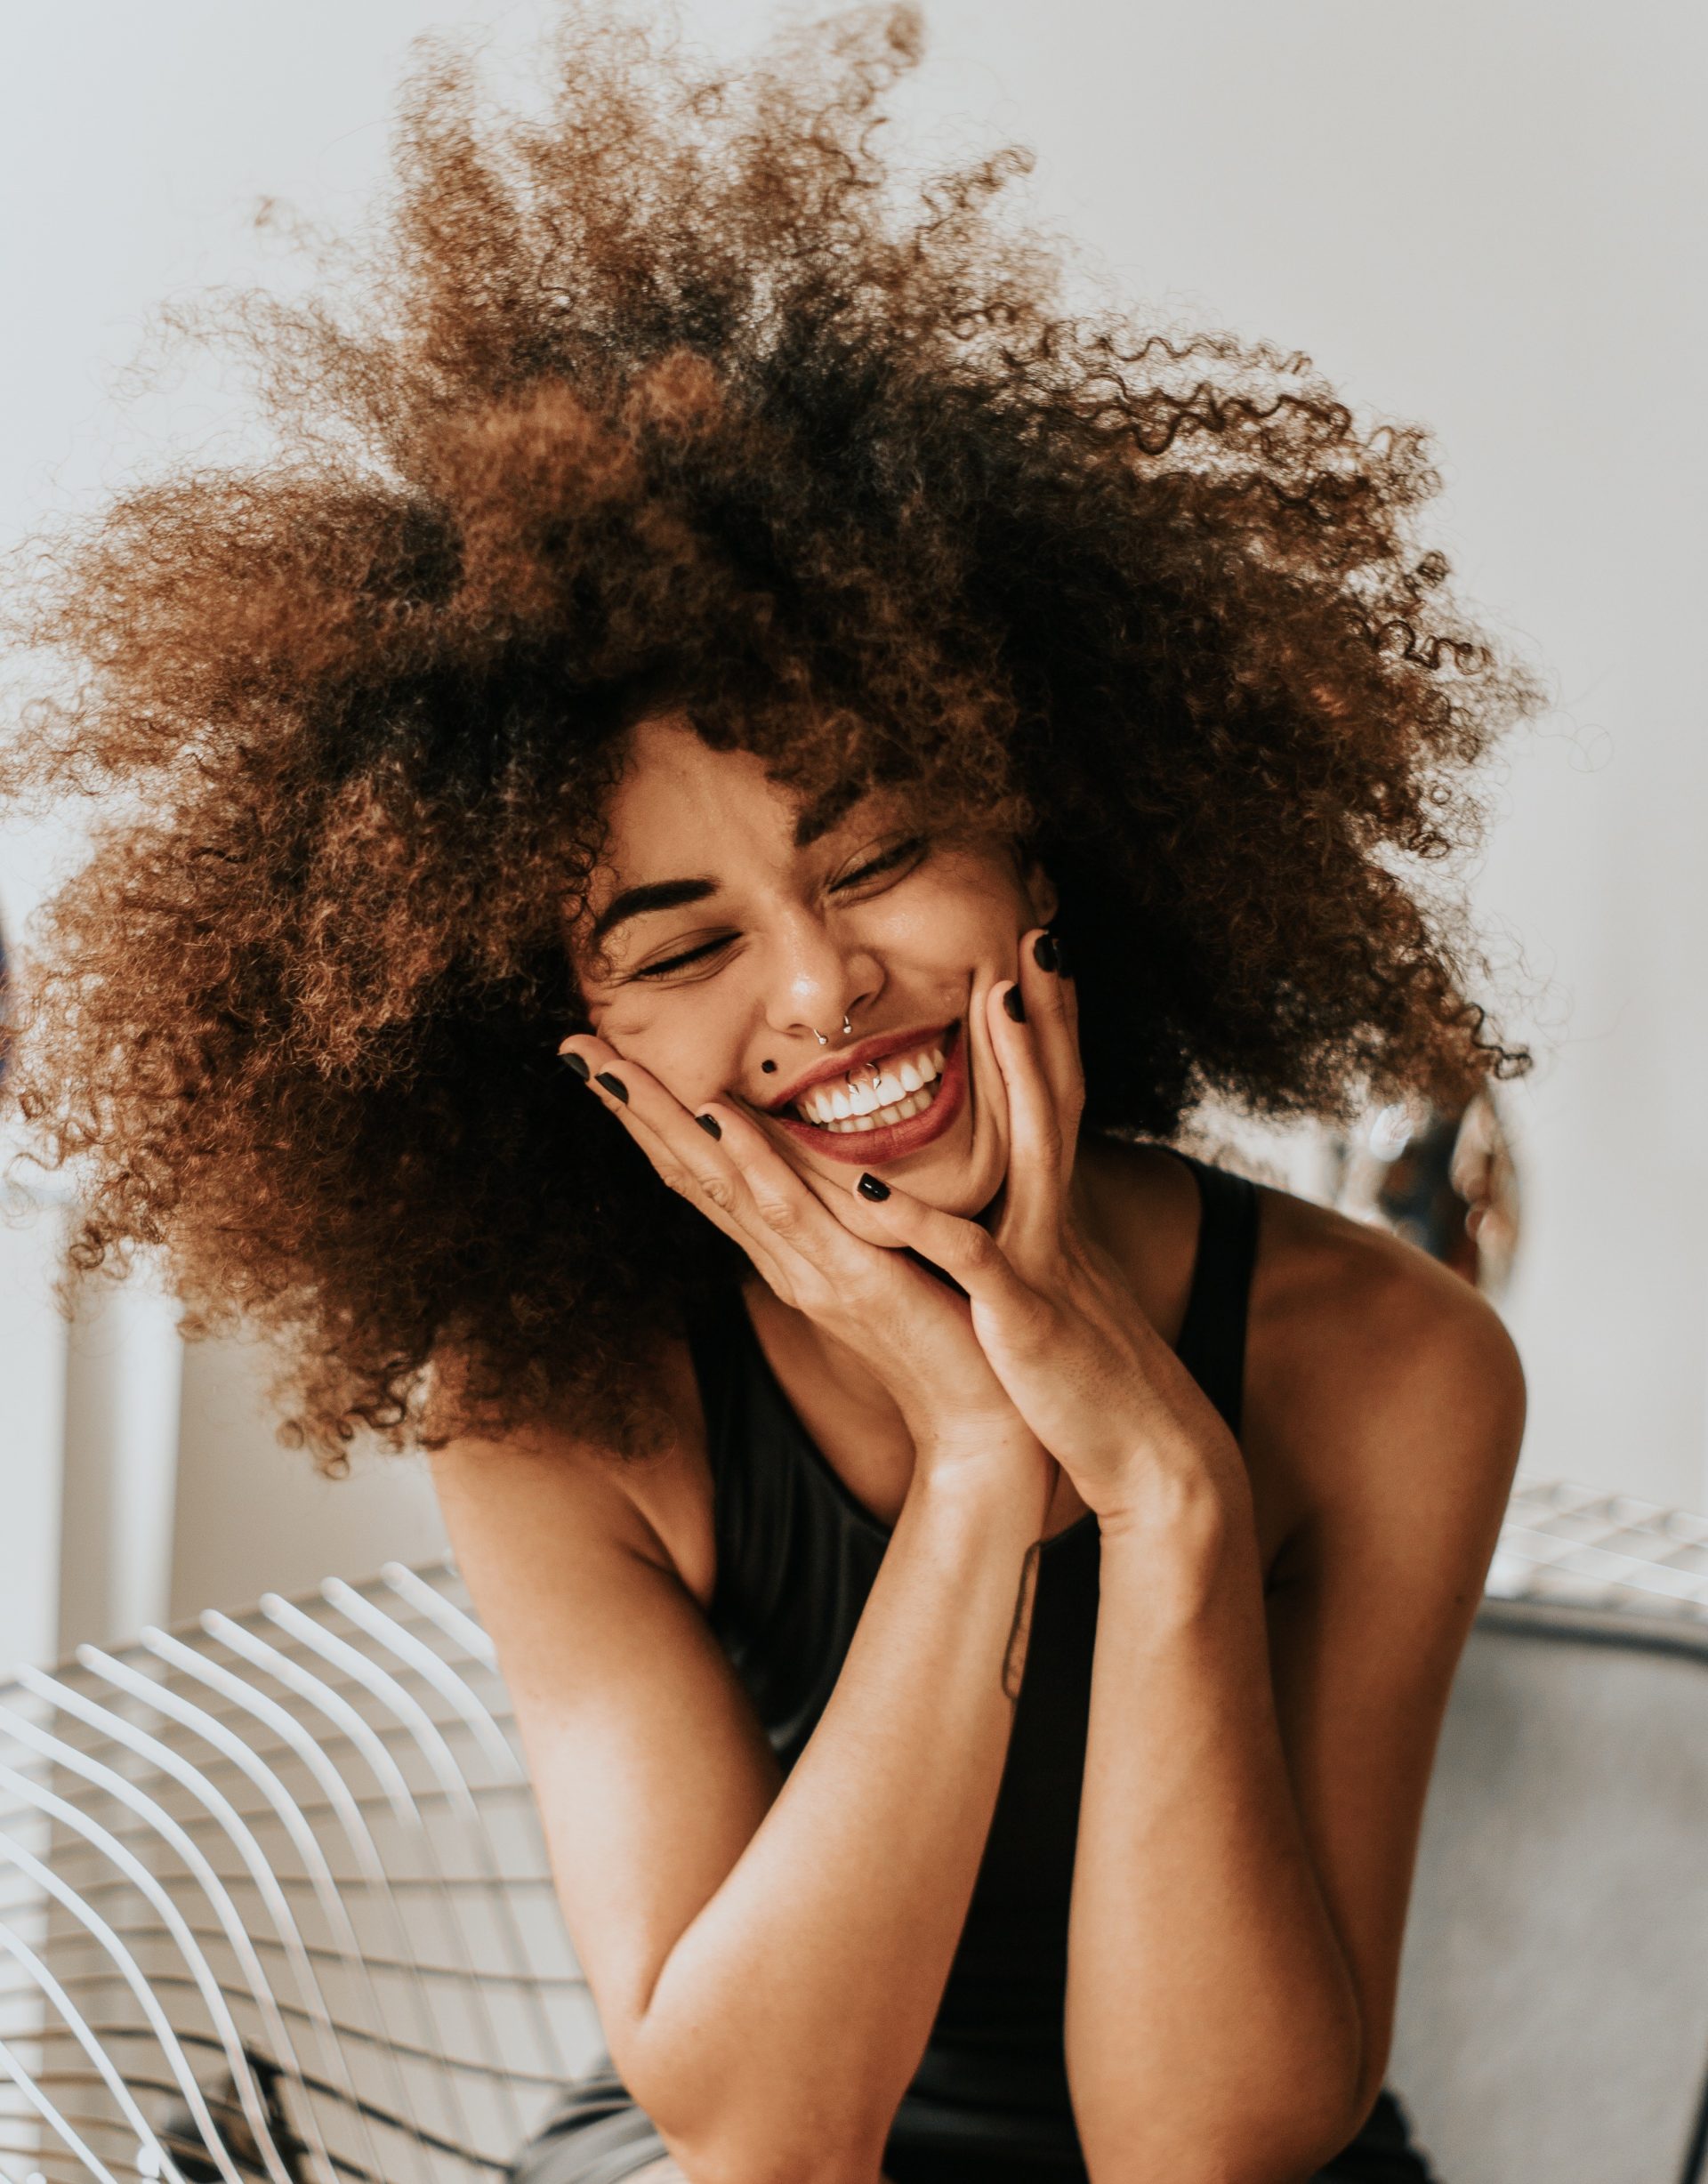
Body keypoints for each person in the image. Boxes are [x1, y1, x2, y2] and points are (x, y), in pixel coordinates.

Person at [0, 6, 1536, 2180]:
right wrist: (988, 1464)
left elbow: (1211, 2155)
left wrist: (1169, 1499)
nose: (822, 990)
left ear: (1045, 836)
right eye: (684, 943)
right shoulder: (556, 1410)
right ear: (577, 1048)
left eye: (883, 852)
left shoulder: (1394, 1369)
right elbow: (764, 2138)